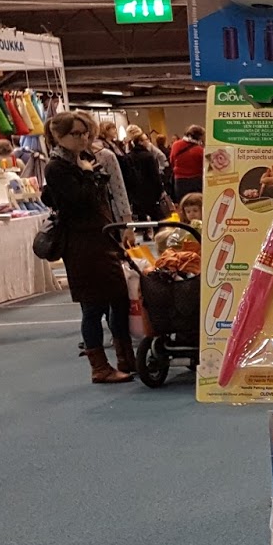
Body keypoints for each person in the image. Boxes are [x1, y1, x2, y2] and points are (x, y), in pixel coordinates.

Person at [40, 110, 135, 384]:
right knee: (93, 306)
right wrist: (88, 175)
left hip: (103, 237)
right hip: (81, 244)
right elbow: (81, 201)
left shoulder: (84, 158)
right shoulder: (56, 168)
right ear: (59, 136)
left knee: (119, 300)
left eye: (85, 133)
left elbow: (104, 195)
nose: (83, 139)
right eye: (76, 134)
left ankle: (126, 358)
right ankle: (100, 368)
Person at [85, 118, 132, 225]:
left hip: (108, 213)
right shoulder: (65, 162)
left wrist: (127, 220)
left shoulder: (106, 153)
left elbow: (118, 188)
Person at [122, 124, 170, 222]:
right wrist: (160, 190)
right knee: (158, 218)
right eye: (146, 140)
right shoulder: (148, 156)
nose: (148, 141)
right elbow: (154, 175)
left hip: (136, 192)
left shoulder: (128, 156)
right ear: (140, 142)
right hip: (150, 191)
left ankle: (144, 230)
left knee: (141, 218)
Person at [170, 124, 205, 197]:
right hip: (196, 181)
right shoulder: (200, 150)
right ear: (199, 137)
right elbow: (203, 167)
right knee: (197, 201)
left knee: (182, 201)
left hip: (179, 180)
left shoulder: (175, 145)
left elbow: (172, 160)